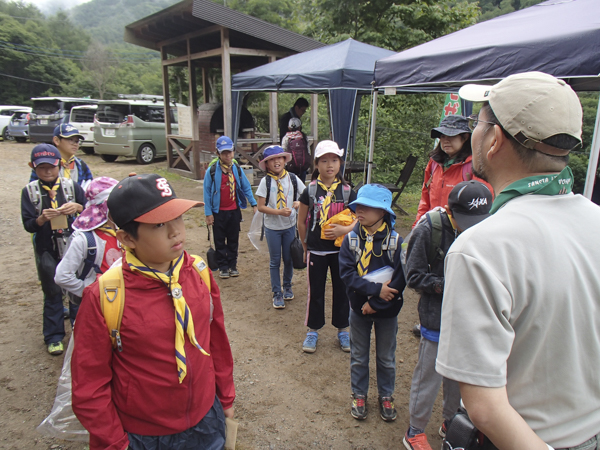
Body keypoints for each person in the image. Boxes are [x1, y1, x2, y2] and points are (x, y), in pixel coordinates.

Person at [436, 72, 600, 450]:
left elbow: (486, 409)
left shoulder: (481, 247)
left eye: (478, 122)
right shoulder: (594, 220)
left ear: (493, 140)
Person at [72, 173, 235, 450]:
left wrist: (226, 399)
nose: (176, 231)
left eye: (177, 217)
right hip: (143, 433)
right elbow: (89, 385)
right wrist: (115, 442)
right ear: (127, 237)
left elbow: (215, 342)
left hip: (207, 417)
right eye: (159, 224)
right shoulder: (106, 296)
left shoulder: (198, 273)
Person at [403, 180, 492, 450]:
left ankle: (451, 421)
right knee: (428, 375)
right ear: (452, 213)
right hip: (436, 318)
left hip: (468, 319)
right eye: (466, 219)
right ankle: (414, 431)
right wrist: (446, 284)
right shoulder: (429, 229)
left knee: (459, 376)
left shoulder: (486, 229)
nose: (472, 226)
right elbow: (413, 276)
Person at [338, 184, 406, 422]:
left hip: (387, 312)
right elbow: (348, 276)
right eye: (358, 206)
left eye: (368, 207)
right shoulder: (351, 240)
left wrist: (376, 304)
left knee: (386, 357)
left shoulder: (397, 242)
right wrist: (376, 290)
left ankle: (386, 395)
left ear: (384, 213)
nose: (360, 211)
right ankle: (359, 394)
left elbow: (399, 281)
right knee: (358, 355)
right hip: (358, 310)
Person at [21, 144, 85, 355]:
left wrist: (77, 208)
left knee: (77, 290)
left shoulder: (71, 186)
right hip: (46, 248)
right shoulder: (29, 192)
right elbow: (28, 224)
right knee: (52, 292)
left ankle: (81, 331)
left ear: (59, 164)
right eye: (42, 168)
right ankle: (54, 336)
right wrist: (41, 218)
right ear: (33, 167)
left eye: (52, 166)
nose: (48, 171)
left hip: (73, 247)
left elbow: (88, 212)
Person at [297, 140, 357, 353]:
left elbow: (358, 220)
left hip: (342, 251)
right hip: (317, 250)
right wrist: (305, 248)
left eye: (334, 160)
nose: (329, 165)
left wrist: (345, 231)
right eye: (324, 161)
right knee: (316, 291)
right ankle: (313, 331)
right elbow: (301, 221)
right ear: (316, 164)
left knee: (343, 290)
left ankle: (343, 330)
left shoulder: (348, 191)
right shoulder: (310, 191)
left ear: (340, 163)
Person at [413, 114, 491, 228]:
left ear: (464, 137)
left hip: (461, 228)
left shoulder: (475, 165)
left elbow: (482, 204)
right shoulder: (434, 163)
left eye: (451, 136)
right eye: (442, 136)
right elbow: (425, 199)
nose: (446, 140)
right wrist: (417, 226)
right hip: (433, 227)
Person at [54, 177, 120, 305]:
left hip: (122, 301)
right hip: (99, 304)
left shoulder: (125, 232)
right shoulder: (84, 240)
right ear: (106, 208)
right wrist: (89, 290)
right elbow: (62, 276)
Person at [256, 145, 305, 309]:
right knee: (275, 261)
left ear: (284, 160)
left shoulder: (292, 178)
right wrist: (278, 212)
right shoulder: (266, 182)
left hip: (290, 226)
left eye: (279, 158)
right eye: (272, 160)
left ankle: (288, 286)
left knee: (289, 258)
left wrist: (298, 202)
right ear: (267, 164)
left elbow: (305, 197)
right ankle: (277, 293)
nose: (276, 162)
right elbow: (261, 207)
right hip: (272, 228)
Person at [203, 136, 258, 279]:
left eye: (230, 152)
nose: (227, 155)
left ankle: (232, 265)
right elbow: (207, 192)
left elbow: (246, 187)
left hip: (234, 211)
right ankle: (223, 266)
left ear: (233, 152)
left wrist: (253, 203)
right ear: (218, 153)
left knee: (233, 239)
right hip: (218, 212)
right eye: (224, 153)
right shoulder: (212, 171)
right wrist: (208, 213)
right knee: (219, 240)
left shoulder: (236, 169)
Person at [30, 124, 93, 190]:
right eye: (70, 140)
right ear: (56, 140)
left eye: (77, 141)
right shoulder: (44, 163)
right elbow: (33, 190)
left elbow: (90, 189)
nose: (75, 144)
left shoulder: (81, 165)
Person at [282, 117, 311, 183]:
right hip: (303, 166)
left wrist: (285, 164)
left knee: (291, 184)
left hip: (290, 166)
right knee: (302, 184)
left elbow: (283, 150)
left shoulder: (286, 137)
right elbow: (308, 151)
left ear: (289, 127)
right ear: (300, 127)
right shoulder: (303, 136)